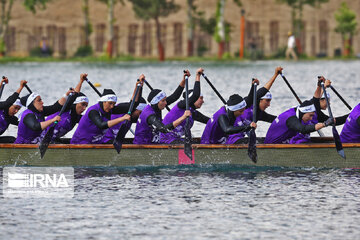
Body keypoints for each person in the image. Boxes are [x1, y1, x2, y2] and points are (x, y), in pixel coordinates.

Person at [70, 79, 142, 144]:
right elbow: (101, 125)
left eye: (113, 104)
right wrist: (122, 118)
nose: (112, 106)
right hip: (80, 144)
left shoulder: (110, 109)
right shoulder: (93, 111)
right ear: (103, 102)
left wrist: (138, 86)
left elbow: (132, 105)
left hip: (96, 144)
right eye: (110, 103)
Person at [227, 67, 282, 144]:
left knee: (269, 140)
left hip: (240, 140)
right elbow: (264, 90)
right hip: (230, 139)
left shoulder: (260, 114)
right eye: (267, 101)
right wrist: (275, 75)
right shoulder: (247, 103)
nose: (269, 105)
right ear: (260, 99)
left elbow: (277, 120)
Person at [133, 72, 191, 144]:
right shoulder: (149, 115)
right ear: (156, 102)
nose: (166, 103)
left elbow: (174, 96)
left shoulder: (158, 105)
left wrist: (184, 80)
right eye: (163, 101)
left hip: (153, 142)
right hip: (142, 146)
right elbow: (164, 129)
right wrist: (183, 117)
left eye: (165, 100)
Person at [288, 76, 349, 144]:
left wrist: (351, 115)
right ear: (321, 100)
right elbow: (315, 99)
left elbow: (335, 121)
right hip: (296, 141)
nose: (329, 103)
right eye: (327, 101)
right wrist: (323, 86)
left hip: (304, 139)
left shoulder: (318, 114)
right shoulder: (308, 108)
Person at [159, 68, 209, 144]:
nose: (203, 101)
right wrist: (198, 75)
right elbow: (195, 95)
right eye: (201, 98)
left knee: (200, 142)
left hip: (176, 140)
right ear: (192, 99)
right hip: (166, 140)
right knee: (193, 144)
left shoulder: (193, 113)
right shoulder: (181, 105)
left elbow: (209, 121)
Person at [200, 79, 258, 144]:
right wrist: (248, 127)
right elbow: (227, 130)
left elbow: (249, 100)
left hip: (221, 142)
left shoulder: (231, 109)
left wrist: (253, 86)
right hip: (208, 145)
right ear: (234, 110)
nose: (242, 113)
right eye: (241, 111)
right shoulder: (222, 116)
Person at [40, 74, 89, 143]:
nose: (84, 108)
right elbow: (74, 95)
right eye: (82, 104)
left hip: (53, 141)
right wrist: (81, 81)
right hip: (40, 139)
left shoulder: (77, 117)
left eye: (86, 106)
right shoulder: (66, 108)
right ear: (75, 103)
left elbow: (92, 120)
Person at [264, 99, 333, 144]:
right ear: (304, 113)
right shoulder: (291, 119)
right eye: (310, 115)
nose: (311, 119)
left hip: (282, 142)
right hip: (272, 147)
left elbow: (314, 100)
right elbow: (303, 129)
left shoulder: (298, 112)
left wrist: (319, 87)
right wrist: (324, 124)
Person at [0, 78, 27, 143]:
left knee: (12, 140)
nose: (16, 111)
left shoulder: (11, 118)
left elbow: (24, 124)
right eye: (15, 108)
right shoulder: (1, 106)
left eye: (18, 109)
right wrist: (21, 87)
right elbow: (9, 101)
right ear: (9, 105)